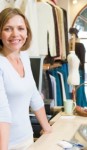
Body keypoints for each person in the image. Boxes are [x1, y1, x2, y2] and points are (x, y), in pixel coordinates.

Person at [0, 8, 52, 150]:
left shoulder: (24, 56)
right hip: (5, 144)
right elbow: (2, 112)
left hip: (27, 139)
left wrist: (47, 129)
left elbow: (34, 96)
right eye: (8, 29)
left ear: (27, 33)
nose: (15, 34)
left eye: (21, 28)